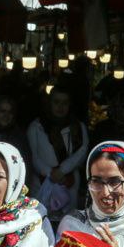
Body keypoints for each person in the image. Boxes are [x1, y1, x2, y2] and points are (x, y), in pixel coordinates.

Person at [27, 87, 89, 220]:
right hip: (42, 183)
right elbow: (33, 156)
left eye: (65, 103)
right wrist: (51, 173)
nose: (60, 107)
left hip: (69, 183)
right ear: (49, 103)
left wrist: (62, 170)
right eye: (56, 102)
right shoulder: (36, 127)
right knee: (40, 223)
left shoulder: (78, 127)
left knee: (67, 225)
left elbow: (82, 151)